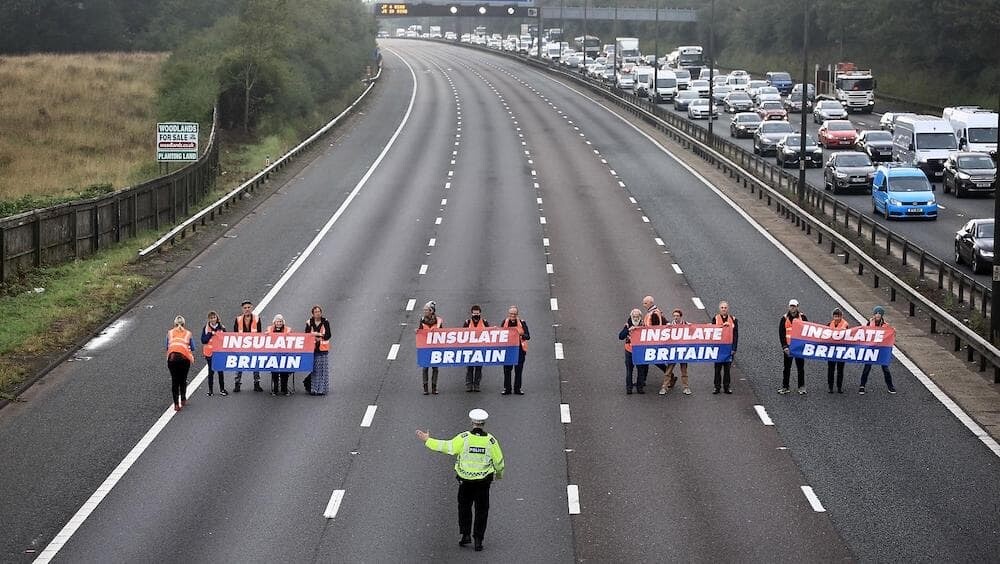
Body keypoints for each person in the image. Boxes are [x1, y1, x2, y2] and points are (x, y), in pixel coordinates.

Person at [415, 408, 505, 552]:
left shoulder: (464, 438)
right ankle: (478, 540)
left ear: (472, 422)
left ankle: (465, 535)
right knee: (482, 510)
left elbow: (447, 447)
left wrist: (428, 440)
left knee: (464, 508)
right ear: (484, 423)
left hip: (465, 481)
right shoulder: (491, 441)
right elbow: (499, 462)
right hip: (483, 483)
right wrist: (498, 476)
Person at [859, 306, 897, 395]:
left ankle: (890, 386)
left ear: (882, 315)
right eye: (876, 313)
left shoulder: (886, 326)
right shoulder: (869, 324)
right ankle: (862, 386)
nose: (878, 315)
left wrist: (893, 332)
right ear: (874, 314)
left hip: (881, 349)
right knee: (867, 368)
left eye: (879, 313)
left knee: (885, 368)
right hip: (871, 349)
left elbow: (890, 335)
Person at [165, 315, 196, 412]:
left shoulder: (170, 333)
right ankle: (183, 398)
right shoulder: (188, 333)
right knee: (183, 379)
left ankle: (176, 404)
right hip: (184, 359)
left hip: (172, 359)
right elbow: (193, 347)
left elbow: (167, 346)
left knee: (175, 381)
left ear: (174, 324)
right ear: (184, 324)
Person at [778, 299, 808, 395]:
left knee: (800, 368)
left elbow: (807, 331)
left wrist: (804, 345)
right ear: (788, 307)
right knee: (787, 368)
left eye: (794, 306)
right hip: (788, 347)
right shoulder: (784, 318)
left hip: (799, 347)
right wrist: (784, 347)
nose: (792, 308)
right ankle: (785, 386)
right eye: (791, 306)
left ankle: (801, 387)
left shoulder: (803, 317)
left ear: (797, 307)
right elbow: (781, 334)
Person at [233, 300, 263, 393]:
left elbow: (259, 333)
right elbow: (235, 334)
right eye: (245, 308)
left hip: (254, 346)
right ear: (242, 309)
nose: (247, 309)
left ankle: (256, 383)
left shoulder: (257, 319)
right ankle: (237, 384)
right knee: (239, 365)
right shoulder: (238, 319)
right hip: (241, 347)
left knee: (255, 365)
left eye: (248, 307)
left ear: (252, 307)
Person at [660, 308, 692, 396]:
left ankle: (686, 387)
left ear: (681, 316)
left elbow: (695, 330)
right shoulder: (669, 325)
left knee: (684, 370)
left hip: (683, 351)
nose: (676, 317)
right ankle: (664, 387)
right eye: (674, 316)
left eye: (677, 316)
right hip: (673, 351)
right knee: (668, 370)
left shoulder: (687, 324)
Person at [499, 305, 530, 395]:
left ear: (517, 314)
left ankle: (517, 389)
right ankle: (507, 389)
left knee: (518, 370)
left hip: (519, 349)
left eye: (514, 314)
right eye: (511, 314)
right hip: (508, 349)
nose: (513, 316)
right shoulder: (504, 322)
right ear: (508, 314)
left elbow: (528, 336)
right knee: (507, 370)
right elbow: (500, 335)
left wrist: (520, 335)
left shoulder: (522, 323)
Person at [642, 295, 668, 392]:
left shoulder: (653, 314)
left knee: (653, 360)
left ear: (650, 303)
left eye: (645, 303)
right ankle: (643, 379)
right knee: (647, 360)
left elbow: (655, 328)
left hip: (652, 341)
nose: (643, 305)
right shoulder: (656, 311)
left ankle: (669, 375)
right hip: (651, 341)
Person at [304, 305, 332, 396]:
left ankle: (321, 390)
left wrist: (318, 335)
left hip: (322, 349)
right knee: (315, 369)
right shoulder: (309, 322)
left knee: (322, 370)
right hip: (312, 349)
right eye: (316, 312)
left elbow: (328, 334)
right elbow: (307, 335)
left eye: (319, 311)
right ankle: (313, 388)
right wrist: (314, 336)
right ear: (313, 313)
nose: (318, 313)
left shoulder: (325, 322)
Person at [712, 301, 738, 394]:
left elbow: (735, 335)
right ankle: (717, 387)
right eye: (722, 307)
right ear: (720, 309)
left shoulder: (733, 319)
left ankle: (727, 387)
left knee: (727, 369)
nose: (724, 309)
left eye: (725, 307)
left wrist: (734, 348)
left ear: (728, 308)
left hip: (728, 348)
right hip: (719, 348)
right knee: (717, 369)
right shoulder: (715, 318)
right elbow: (712, 333)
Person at [418, 301, 443, 395]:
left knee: (435, 368)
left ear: (431, 311)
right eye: (424, 310)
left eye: (426, 310)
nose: (424, 312)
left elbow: (443, 333)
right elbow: (420, 332)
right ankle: (425, 387)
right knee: (425, 368)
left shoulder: (438, 321)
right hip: (425, 347)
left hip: (435, 346)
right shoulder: (422, 320)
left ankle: (434, 387)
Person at [618, 308, 646, 394]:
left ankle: (639, 387)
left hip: (640, 350)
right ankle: (629, 388)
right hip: (629, 350)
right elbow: (621, 336)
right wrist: (628, 330)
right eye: (634, 316)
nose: (635, 318)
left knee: (641, 370)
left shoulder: (644, 325)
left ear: (640, 317)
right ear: (631, 316)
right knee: (629, 370)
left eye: (637, 316)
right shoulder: (628, 325)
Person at [463, 305, 490, 392]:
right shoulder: (467, 322)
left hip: (480, 348)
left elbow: (490, 333)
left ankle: (477, 384)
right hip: (469, 348)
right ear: (471, 313)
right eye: (474, 313)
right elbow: (462, 334)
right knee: (469, 368)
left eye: (477, 313)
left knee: (478, 368)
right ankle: (469, 384)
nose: (476, 315)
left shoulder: (484, 322)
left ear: (480, 313)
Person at [201, 311, 227, 396]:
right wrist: (210, 334)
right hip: (209, 353)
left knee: (220, 371)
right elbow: (203, 340)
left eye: (214, 317)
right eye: (211, 318)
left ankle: (222, 389)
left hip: (219, 353)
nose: (213, 319)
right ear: (209, 319)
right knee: (211, 372)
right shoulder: (206, 328)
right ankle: (210, 390)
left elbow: (226, 339)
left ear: (217, 318)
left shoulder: (222, 328)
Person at [267, 314, 292, 396]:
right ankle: (275, 389)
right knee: (274, 373)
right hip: (274, 354)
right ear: (274, 322)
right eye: (277, 321)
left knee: (284, 373)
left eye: (280, 321)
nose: (279, 323)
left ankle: (284, 389)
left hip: (284, 354)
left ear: (283, 322)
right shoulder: (270, 329)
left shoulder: (288, 329)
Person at [827, 308, 849, 393]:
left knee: (840, 370)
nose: (836, 318)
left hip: (841, 351)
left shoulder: (845, 325)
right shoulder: (829, 324)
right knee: (830, 370)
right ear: (833, 316)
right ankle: (830, 387)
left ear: (841, 317)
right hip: (831, 350)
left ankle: (839, 387)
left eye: (838, 316)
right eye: (835, 316)